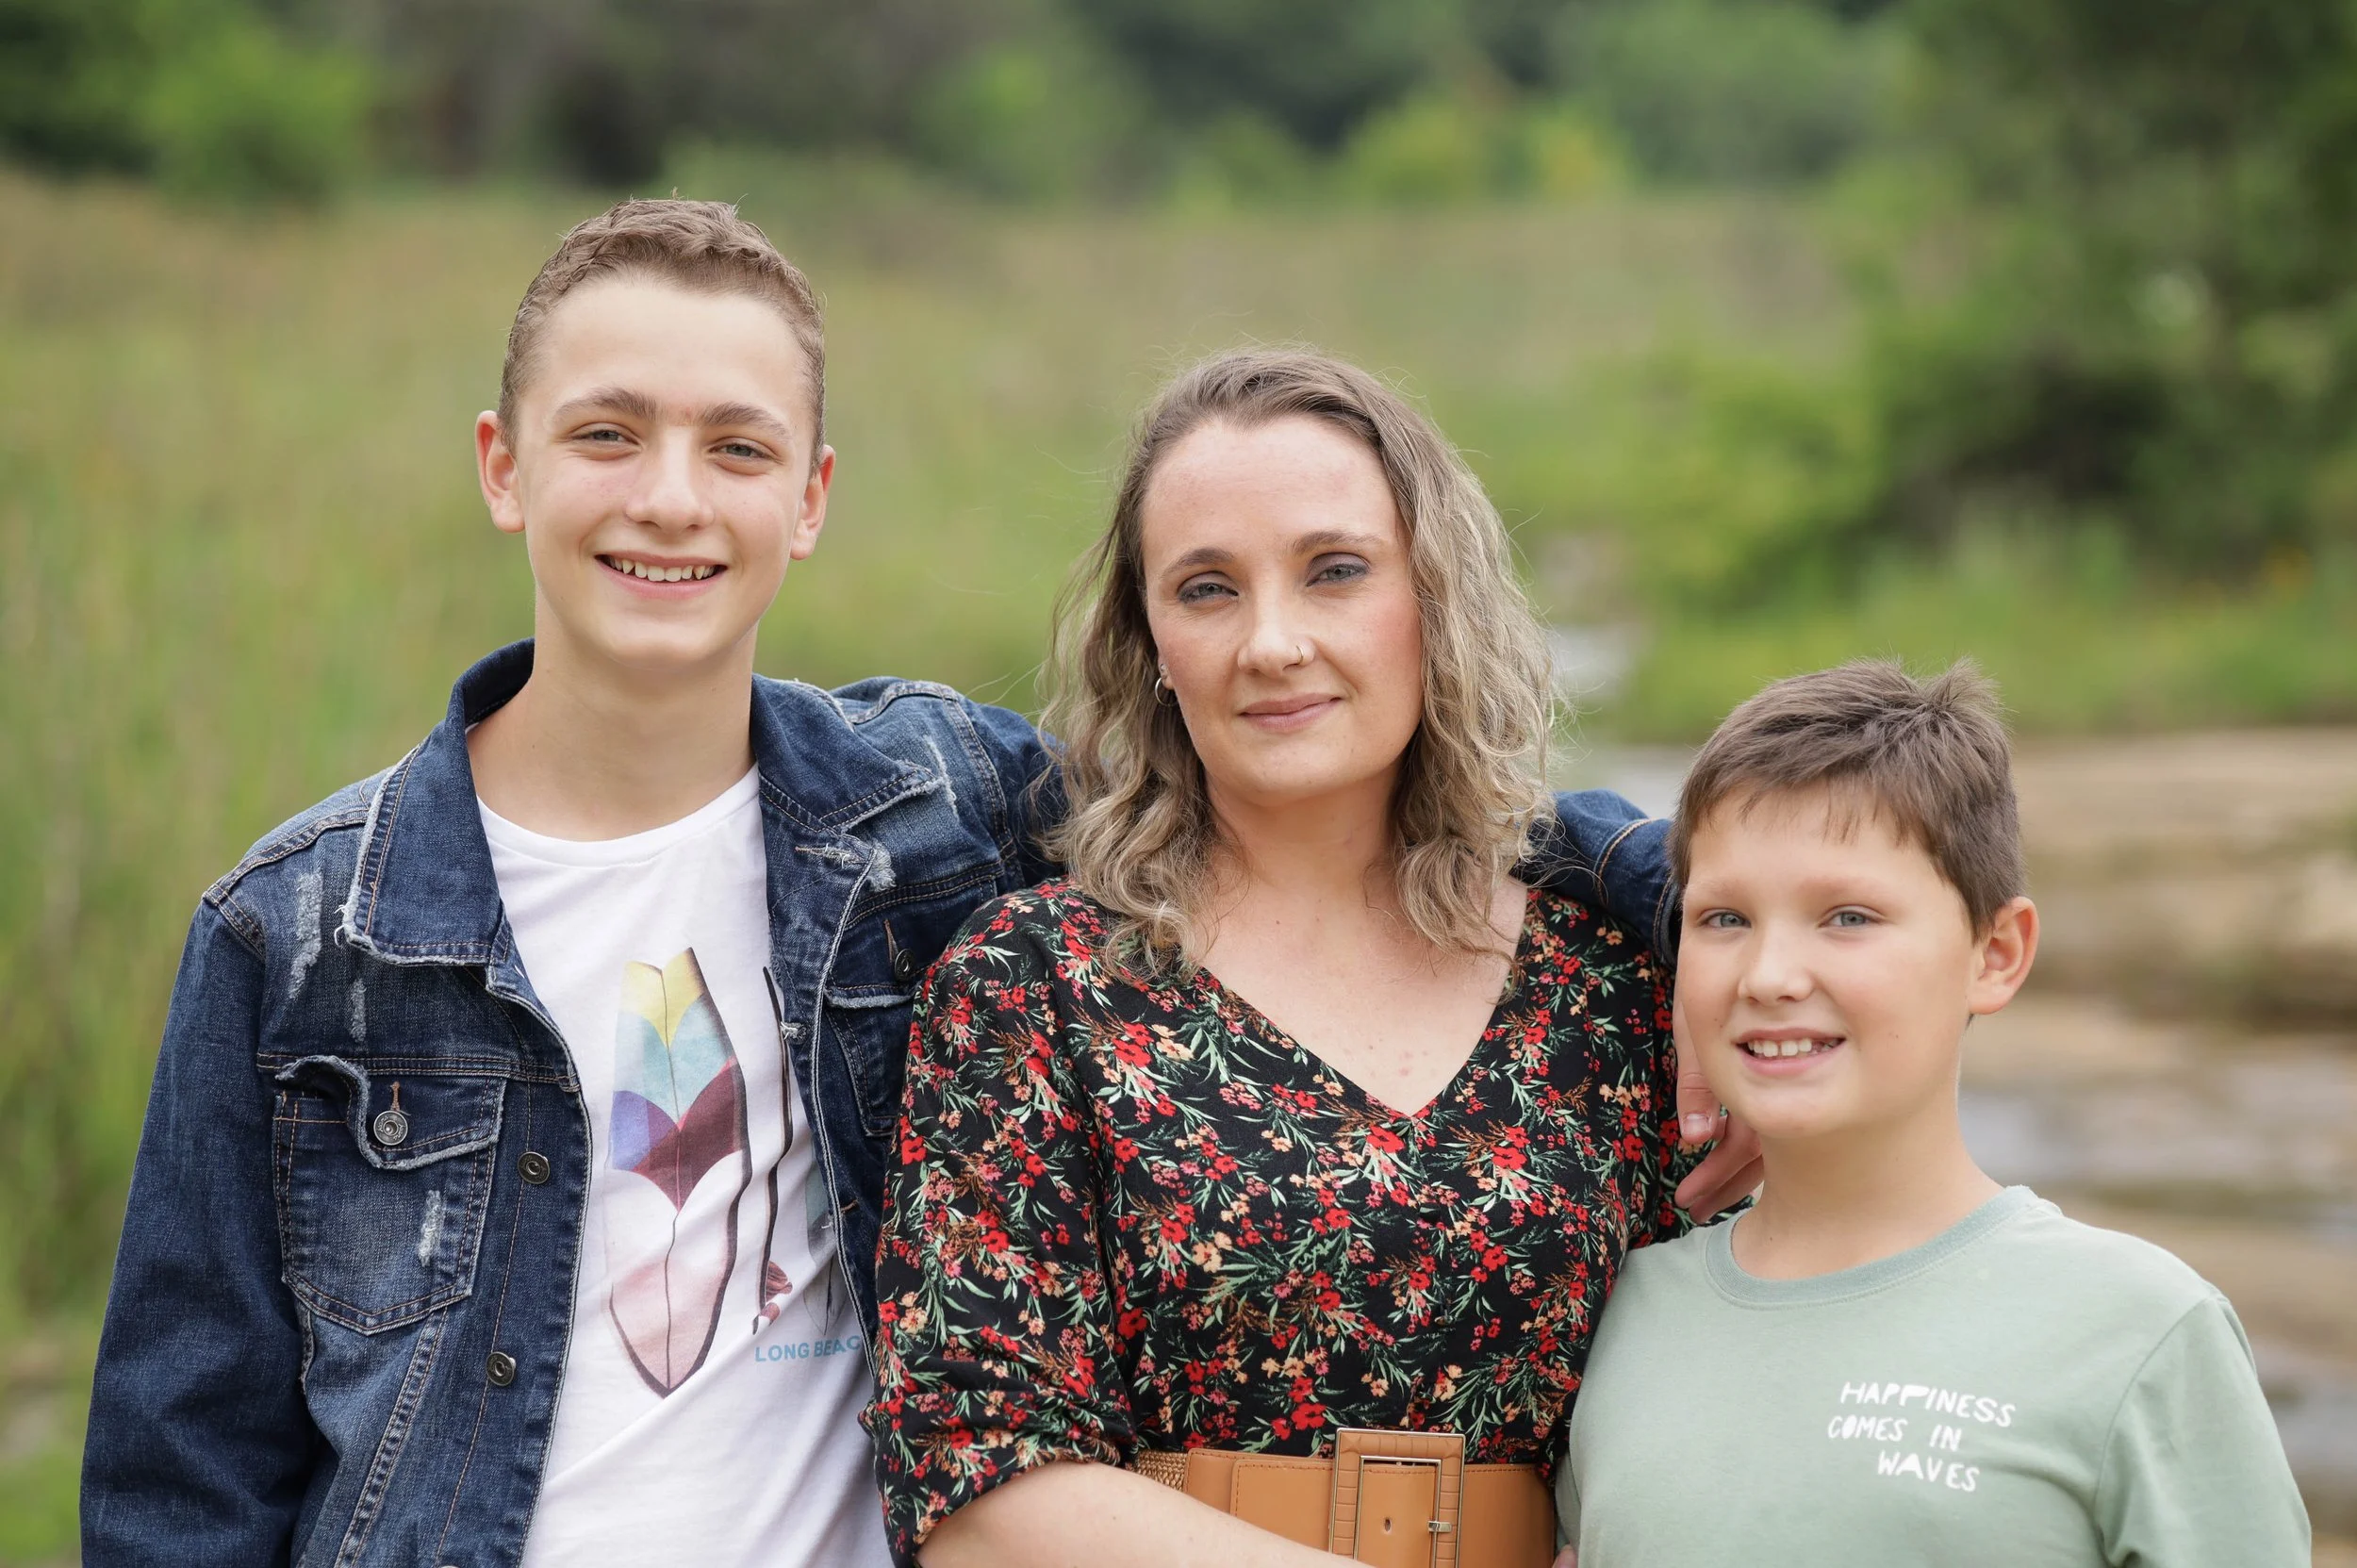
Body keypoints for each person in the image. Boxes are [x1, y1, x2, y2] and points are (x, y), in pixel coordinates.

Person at [79, 203, 1741, 1566]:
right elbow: (181, 1473)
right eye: (607, 434)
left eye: (738, 446)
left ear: (810, 497)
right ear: (505, 466)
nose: (671, 496)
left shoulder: (915, 815)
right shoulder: (308, 928)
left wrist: (1702, 923)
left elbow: (1328, 784)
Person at [866, 348, 1717, 1568]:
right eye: (1207, 588)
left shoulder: (1612, 988)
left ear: (1436, 596)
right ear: (1150, 642)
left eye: (1335, 571)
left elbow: (1748, 1367)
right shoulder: (1033, 982)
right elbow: (976, 1484)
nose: (1272, 642)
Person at [1557, 660, 2311, 1567]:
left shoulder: (2143, 1329)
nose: (1769, 976)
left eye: (1848, 916)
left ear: (1996, 953)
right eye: (1724, 919)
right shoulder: (1624, 1312)